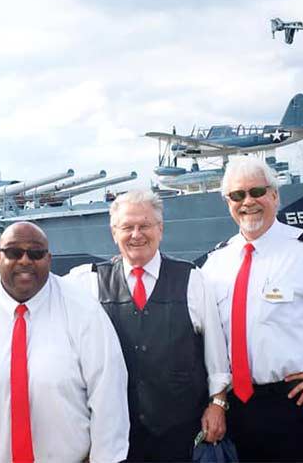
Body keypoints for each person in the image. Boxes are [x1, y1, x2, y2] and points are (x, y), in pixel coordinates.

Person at [0, 222, 129, 463]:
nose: (24, 260)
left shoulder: (84, 311)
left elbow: (108, 395)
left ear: (49, 259)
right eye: (13, 252)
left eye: (36, 253)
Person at [68, 189, 230, 462]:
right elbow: (40, 288)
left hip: (180, 431)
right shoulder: (89, 282)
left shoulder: (192, 279)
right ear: (113, 232)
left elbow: (215, 351)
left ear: (160, 229)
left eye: (144, 225)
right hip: (117, 432)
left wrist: (218, 403)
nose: (136, 234)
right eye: (127, 227)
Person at [202, 155, 303, 463]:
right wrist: (217, 399)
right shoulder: (216, 263)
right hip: (232, 408)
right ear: (228, 202)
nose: (248, 202)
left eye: (257, 192)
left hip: (292, 401)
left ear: (275, 195)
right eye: (237, 195)